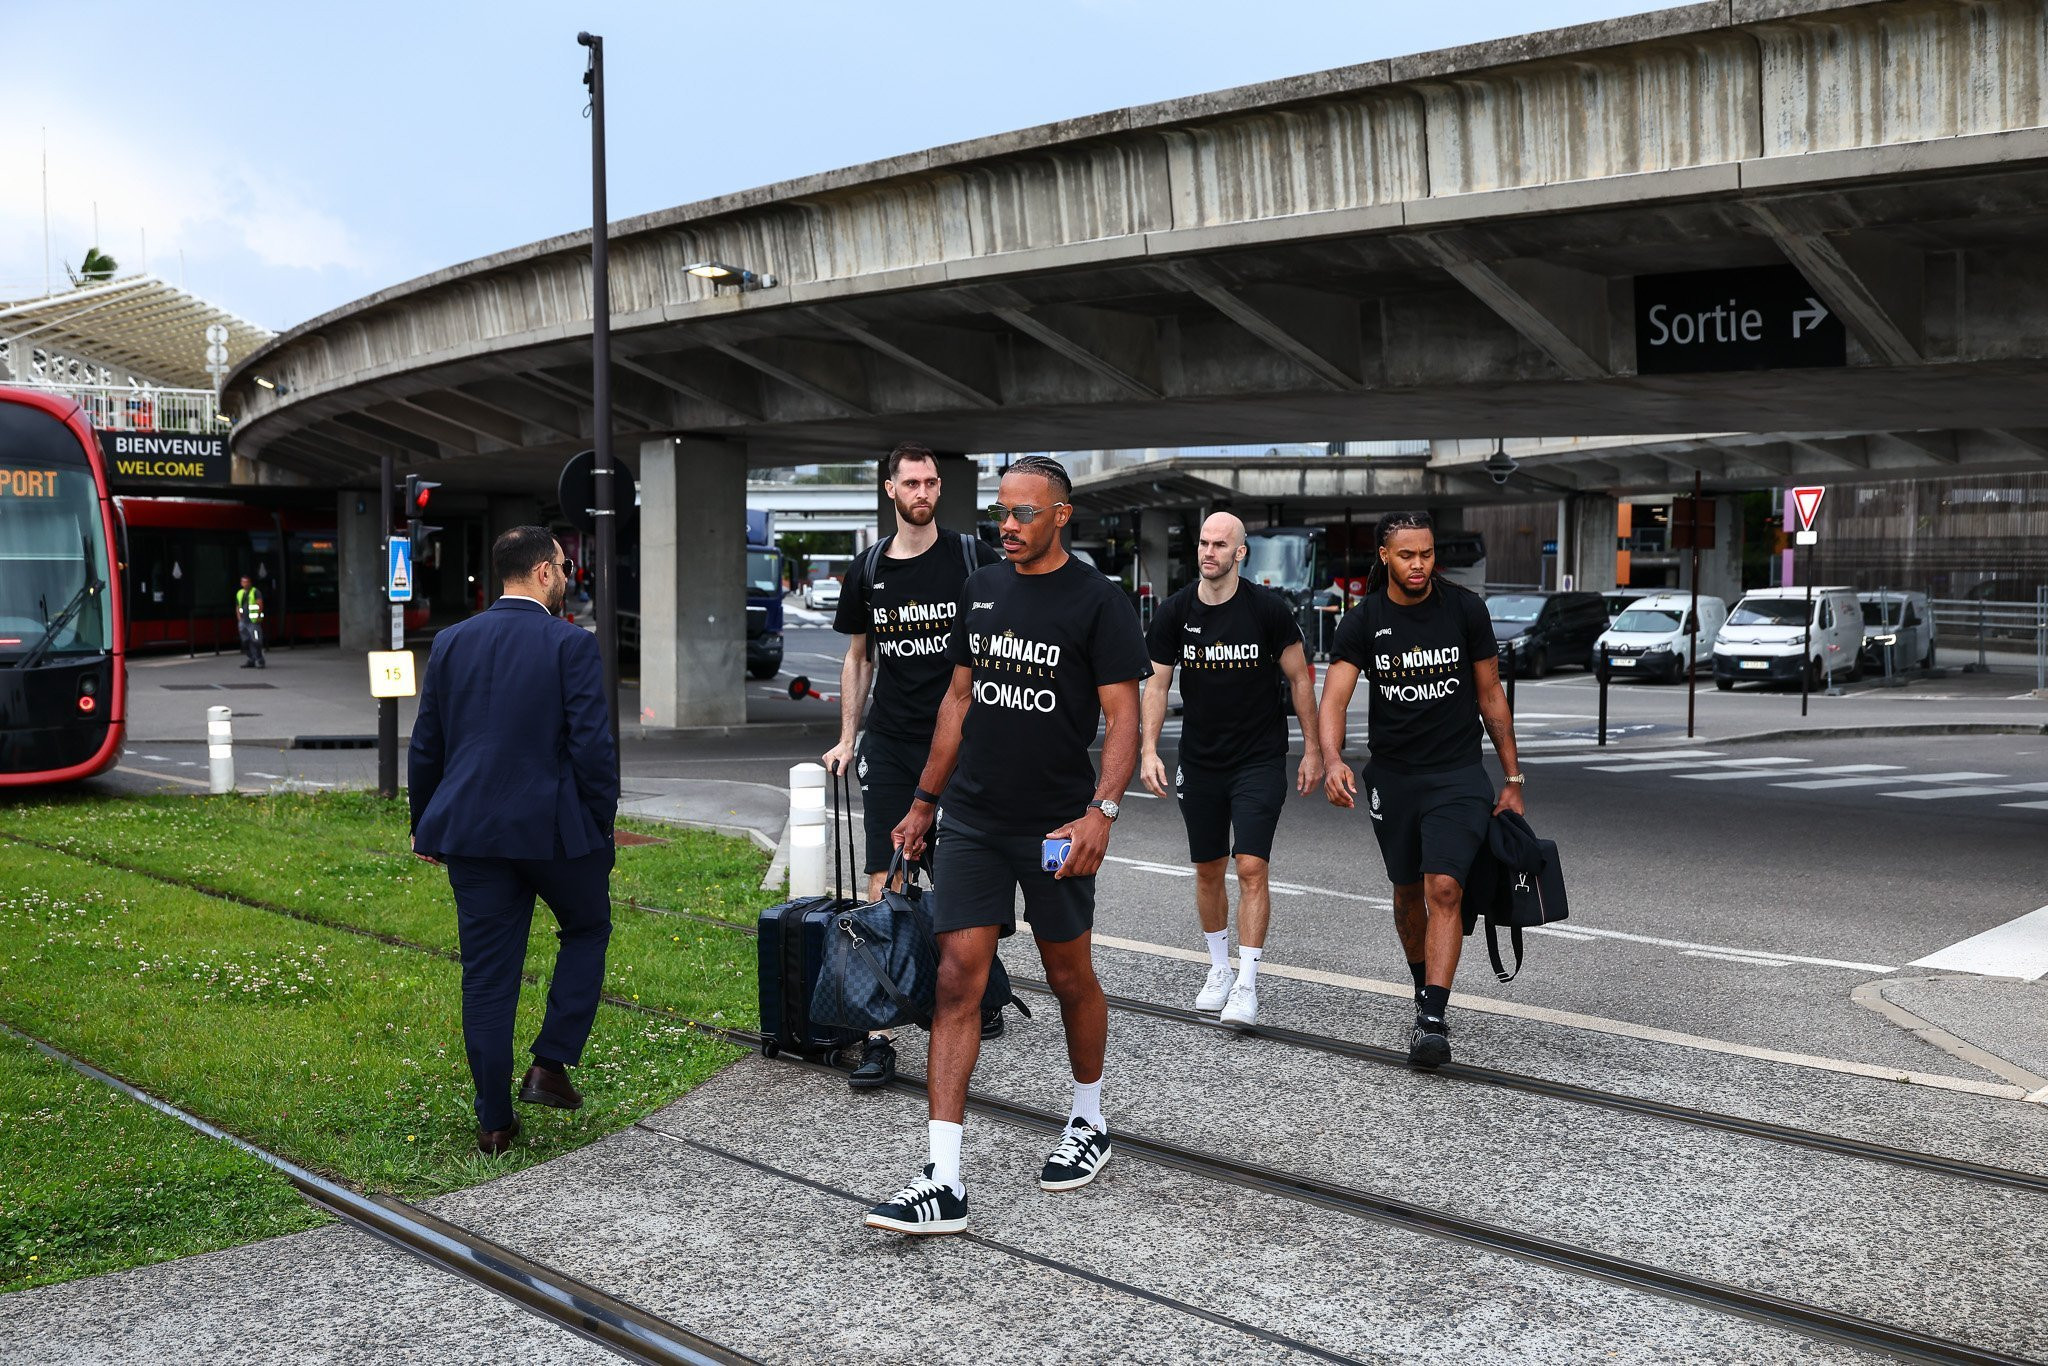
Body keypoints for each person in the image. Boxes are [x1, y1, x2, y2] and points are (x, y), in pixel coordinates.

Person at [864, 456, 1148, 1236]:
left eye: (1024, 514)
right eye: (1001, 513)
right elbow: (958, 699)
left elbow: (1125, 720)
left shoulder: (1100, 603)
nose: (1008, 526)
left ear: (1061, 515)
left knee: (1067, 973)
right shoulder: (982, 586)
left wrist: (1102, 812)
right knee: (958, 978)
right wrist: (924, 801)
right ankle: (943, 1178)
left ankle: (1088, 1120)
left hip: (1058, 827)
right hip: (976, 822)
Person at [408, 527, 618, 1155]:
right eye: (564, 564)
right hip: (555, 833)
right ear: (546, 573)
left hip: (470, 834)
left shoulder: (450, 642)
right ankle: (551, 1063)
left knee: (487, 978)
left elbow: (427, 744)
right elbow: (592, 748)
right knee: (586, 927)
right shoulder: (570, 644)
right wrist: (600, 823)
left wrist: (426, 822)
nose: (566, 573)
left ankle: (495, 1123)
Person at [823, 442, 1008, 1091]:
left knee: (965, 875)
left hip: (964, 744)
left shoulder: (969, 557)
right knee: (886, 881)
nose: (925, 491)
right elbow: (857, 659)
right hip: (894, 743)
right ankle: (879, 1034)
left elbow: (1007, 629)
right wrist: (848, 737)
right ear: (890, 490)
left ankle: (984, 983)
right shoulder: (868, 567)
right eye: (913, 482)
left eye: (932, 482)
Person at [1316, 511, 1523, 1069]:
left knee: (1445, 888)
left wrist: (1512, 778)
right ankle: (1421, 988)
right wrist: (1333, 759)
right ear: (1384, 555)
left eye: (1426, 553)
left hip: (1457, 775)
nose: (1419, 564)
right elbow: (1333, 698)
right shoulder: (1364, 621)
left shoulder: (1464, 610)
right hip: (1395, 777)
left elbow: (1491, 696)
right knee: (1408, 892)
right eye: (1407, 554)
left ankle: (1432, 1019)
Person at [1138, 512, 1321, 1028]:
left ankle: (1246, 982)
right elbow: (1155, 686)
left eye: (1221, 544)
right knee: (1209, 868)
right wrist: (1149, 750)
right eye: (1203, 543)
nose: (1209, 552)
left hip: (1258, 758)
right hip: (1200, 761)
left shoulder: (1268, 610)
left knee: (1251, 867)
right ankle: (1218, 969)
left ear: (1241, 553)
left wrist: (1313, 750)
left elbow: (1300, 680)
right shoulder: (1175, 612)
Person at [235, 575, 266, 669]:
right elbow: (238, 606)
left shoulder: (255, 592)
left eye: (247, 582)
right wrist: (239, 617)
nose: (245, 584)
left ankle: (260, 660)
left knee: (256, 641)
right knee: (245, 641)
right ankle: (251, 659)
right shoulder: (240, 593)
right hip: (243, 621)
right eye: (243, 582)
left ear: (250, 583)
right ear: (241, 583)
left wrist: (257, 617)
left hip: (253, 621)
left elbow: (260, 604)